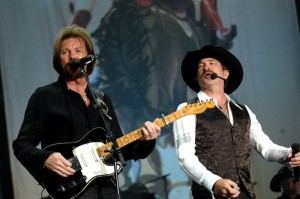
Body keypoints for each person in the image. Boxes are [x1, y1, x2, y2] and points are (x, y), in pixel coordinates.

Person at [12, 24, 161, 199]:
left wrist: (145, 141)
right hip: (70, 189)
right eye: (65, 52)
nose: (73, 56)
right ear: (58, 60)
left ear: (88, 56)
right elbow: (21, 144)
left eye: (78, 50)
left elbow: (119, 148)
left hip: (107, 188)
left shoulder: (102, 99)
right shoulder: (44, 96)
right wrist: (45, 158)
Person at [173, 45, 300, 199]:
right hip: (209, 195)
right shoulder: (187, 109)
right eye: (200, 65)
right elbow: (185, 156)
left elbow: (266, 149)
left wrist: (288, 154)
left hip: (244, 194)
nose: (206, 66)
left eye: (212, 62)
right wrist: (214, 182)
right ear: (197, 78)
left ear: (225, 74)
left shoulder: (243, 111)